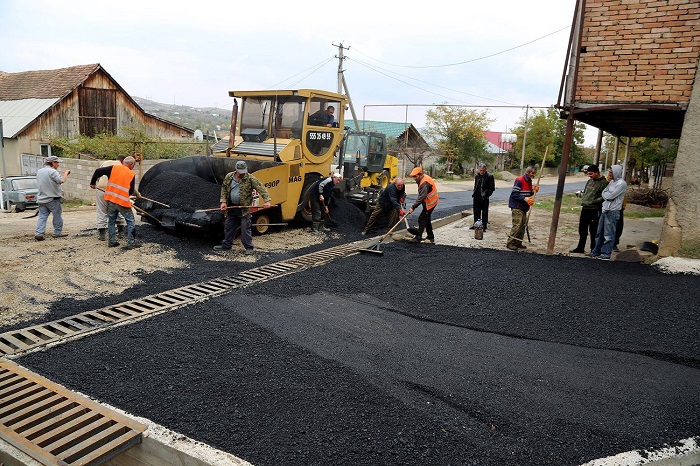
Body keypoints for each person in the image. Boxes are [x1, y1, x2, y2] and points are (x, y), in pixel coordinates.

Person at [214, 160, 271, 255]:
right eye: (240, 172)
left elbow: (261, 189)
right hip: (232, 206)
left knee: (245, 227)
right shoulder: (229, 177)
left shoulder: (250, 178)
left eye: (244, 171)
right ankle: (226, 245)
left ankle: (249, 247)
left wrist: (267, 201)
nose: (242, 174)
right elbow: (224, 189)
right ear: (235, 170)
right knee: (229, 226)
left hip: (244, 208)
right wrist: (223, 202)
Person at [90, 156, 141, 249]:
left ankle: (112, 241)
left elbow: (98, 171)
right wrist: (133, 195)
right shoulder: (131, 174)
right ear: (131, 164)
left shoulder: (113, 168)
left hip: (111, 200)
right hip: (122, 202)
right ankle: (131, 243)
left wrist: (93, 183)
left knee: (111, 221)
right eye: (134, 165)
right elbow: (130, 192)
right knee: (131, 221)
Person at [589, 164, 628, 260]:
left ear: (616, 172)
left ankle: (606, 254)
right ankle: (596, 252)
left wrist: (607, 195)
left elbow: (610, 196)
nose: (609, 174)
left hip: (613, 211)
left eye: (611, 172)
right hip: (605, 210)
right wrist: (607, 195)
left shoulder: (621, 184)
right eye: (609, 172)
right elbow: (604, 193)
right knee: (599, 233)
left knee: (608, 234)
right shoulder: (611, 183)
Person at [569, 164, 608, 254]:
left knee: (593, 230)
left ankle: (593, 249)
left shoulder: (604, 183)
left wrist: (593, 201)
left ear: (597, 172)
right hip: (585, 208)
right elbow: (586, 192)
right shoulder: (590, 181)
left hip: (594, 209)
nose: (589, 176)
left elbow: (604, 196)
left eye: (591, 174)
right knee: (582, 229)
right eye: (588, 174)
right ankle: (580, 247)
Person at [34, 155, 70, 241]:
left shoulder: (40, 171)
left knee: (42, 216)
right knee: (57, 216)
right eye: (57, 162)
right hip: (52, 199)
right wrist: (66, 173)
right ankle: (57, 233)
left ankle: (39, 233)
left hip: (41, 198)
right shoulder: (52, 171)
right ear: (52, 163)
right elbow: (61, 180)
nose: (58, 164)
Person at [506, 165, 538, 251]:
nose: (534, 175)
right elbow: (514, 194)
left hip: (524, 207)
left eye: (535, 173)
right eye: (532, 173)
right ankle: (510, 243)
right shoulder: (519, 180)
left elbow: (527, 193)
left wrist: (533, 191)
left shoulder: (529, 181)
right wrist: (525, 199)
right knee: (517, 225)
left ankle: (518, 243)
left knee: (523, 225)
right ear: (527, 172)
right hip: (517, 206)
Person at [95, 155, 127, 241]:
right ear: (123, 161)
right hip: (114, 191)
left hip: (101, 189)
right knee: (118, 210)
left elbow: (97, 175)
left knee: (101, 211)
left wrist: (95, 184)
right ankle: (120, 232)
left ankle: (102, 234)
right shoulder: (121, 167)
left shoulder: (105, 163)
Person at [406, 167, 439, 244]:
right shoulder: (423, 179)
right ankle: (430, 236)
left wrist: (413, 207)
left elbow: (422, 196)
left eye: (415, 176)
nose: (414, 178)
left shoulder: (424, 183)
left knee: (422, 219)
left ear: (420, 175)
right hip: (429, 202)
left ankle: (418, 237)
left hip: (430, 203)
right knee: (426, 219)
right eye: (413, 177)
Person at [470, 164, 495, 231]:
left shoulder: (489, 176)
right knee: (476, 212)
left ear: (485, 170)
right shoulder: (477, 176)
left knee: (484, 212)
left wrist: (487, 195)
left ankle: (484, 226)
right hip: (476, 196)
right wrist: (474, 193)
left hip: (484, 198)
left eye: (483, 170)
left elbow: (492, 188)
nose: (481, 172)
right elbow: (475, 186)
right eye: (480, 170)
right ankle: (476, 225)